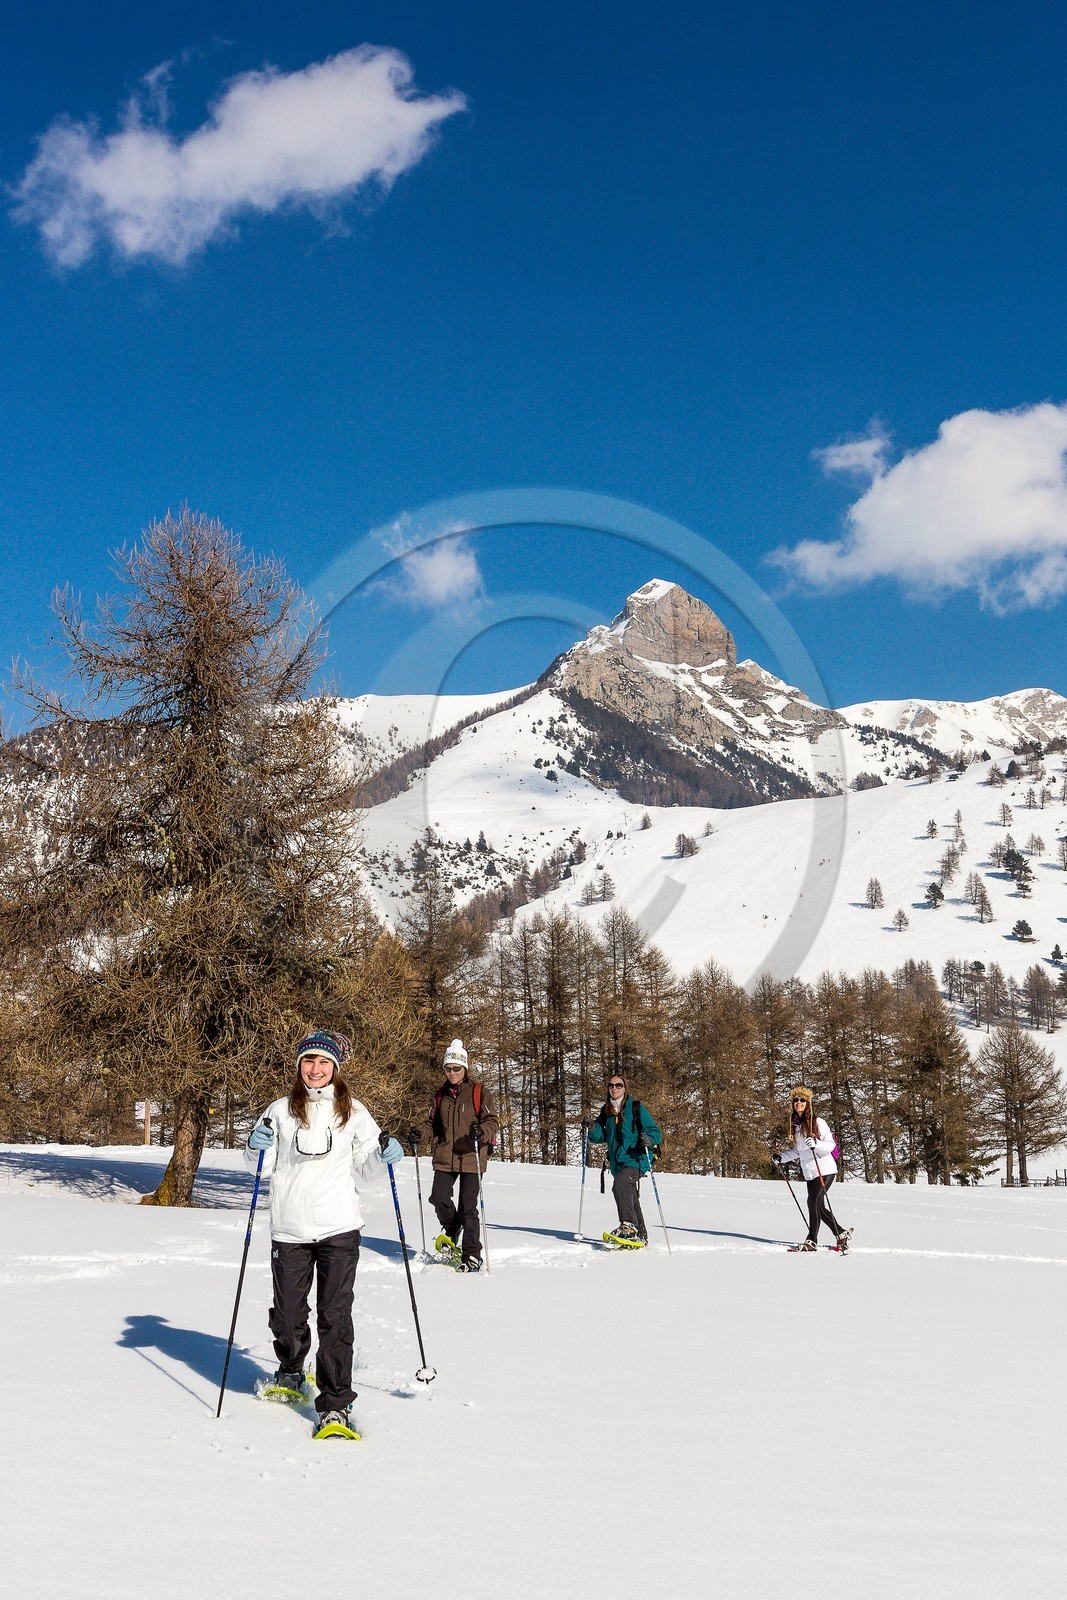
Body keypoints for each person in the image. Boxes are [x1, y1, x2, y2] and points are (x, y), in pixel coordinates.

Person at [245, 1029, 403, 1438]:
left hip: (339, 1228)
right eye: (309, 1061)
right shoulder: (280, 1110)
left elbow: (366, 1169)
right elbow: (259, 1165)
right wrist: (254, 1145)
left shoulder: (354, 1112)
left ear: (335, 1067)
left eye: (323, 1062)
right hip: (289, 1228)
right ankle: (291, 1369)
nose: (315, 1069)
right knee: (288, 1316)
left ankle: (335, 1405)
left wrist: (385, 1155)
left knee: (335, 1318)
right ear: (299, 1065)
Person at [416, 1038, 499, 1272]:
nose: (452, 1073)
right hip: (445, 1155)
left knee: (468, 1208)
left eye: (456, 1068)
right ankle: (453, 1228)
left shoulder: (479, 1093)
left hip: (472, 1156)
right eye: (448, 1068)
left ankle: (472, 1254)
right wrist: (419, 1134)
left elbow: (492, 1121)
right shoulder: (439, 1095)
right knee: (438, 1197)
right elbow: (431, 1125)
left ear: (465, 1069)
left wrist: (481, 1131)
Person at [582, 1071, 662, 1246]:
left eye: (618, 1085)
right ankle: (640, 1235)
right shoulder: (607, 1110)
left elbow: (655, 1132)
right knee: (629, 1195)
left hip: (638, 1158)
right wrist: (592, 1127)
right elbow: (601, 1136)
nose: (614, 1088)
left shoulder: (636, 1108)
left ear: (625, 1088)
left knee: (621, 1184)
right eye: (611, 1085)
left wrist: (649, 1139)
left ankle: (628, 1227)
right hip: (618, 1162)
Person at [773, 1085, 853, 1253]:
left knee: (813, 1202)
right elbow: (799, 1151)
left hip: (825, 1169)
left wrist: (816, 1143)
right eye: (796, 1100)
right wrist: (782, 1157)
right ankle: (841, 1234)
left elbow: (830, 1145)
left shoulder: (817, 1122)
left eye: (802, 1100)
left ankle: (811, 1240)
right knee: (818, 1206)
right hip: (810, 1172)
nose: (799, 1102)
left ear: (807, 1103)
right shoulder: (796, 1126)